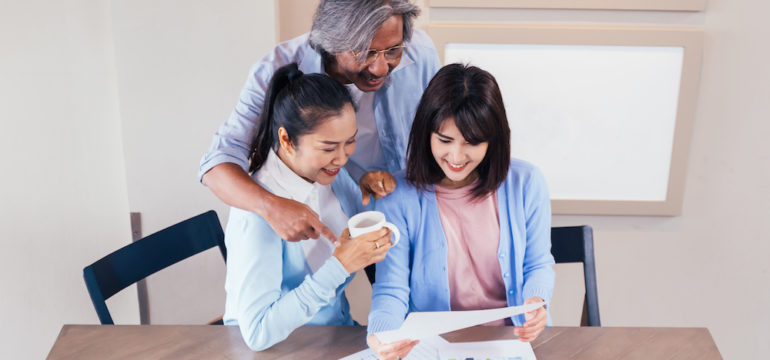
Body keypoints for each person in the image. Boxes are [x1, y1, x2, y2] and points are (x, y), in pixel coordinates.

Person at [199, 0, 441, 243]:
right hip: (349, 223)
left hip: (418, 210)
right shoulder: (275, 68)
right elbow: (218, 163)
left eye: (393, 50)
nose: (380, 68)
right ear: (332, 42)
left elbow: (445, 131)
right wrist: (272, 207)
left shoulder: (420, 52)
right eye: (364, 52)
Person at [366, 64, 556, 360]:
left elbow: (538, 264)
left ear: (493, 140)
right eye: (444, 141)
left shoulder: (526, 182)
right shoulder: (397, 196)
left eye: (472, 143)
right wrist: (382, 336)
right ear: (426, 132)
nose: (455, 157)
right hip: (432, 347)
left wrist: (536, 303)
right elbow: (391, 288)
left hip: (510, 342)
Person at [223, 63, 394, 351]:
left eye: (350, 142)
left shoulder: (331, 177)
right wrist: (340, 266)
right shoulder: (256, 214)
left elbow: (358, 229)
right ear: (287, 140)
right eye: (328, 148)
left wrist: (375, 195)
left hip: (337, 336)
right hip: (279, 349)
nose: (341, 159)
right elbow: (257, 333)